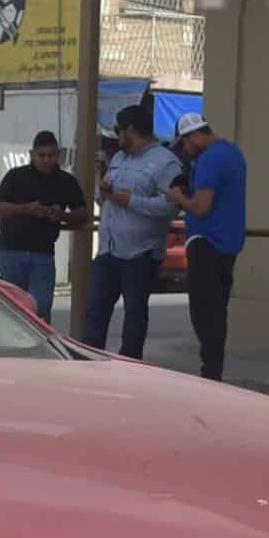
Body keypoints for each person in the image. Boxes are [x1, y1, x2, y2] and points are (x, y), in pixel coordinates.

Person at [86, 104, 181, 358]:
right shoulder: (118, 158)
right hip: (109, 249)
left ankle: (129, 365)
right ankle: (87, 365)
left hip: (140, 253)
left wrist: (131, 201)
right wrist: (103, 193)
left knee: (134, 314)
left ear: (130, 130)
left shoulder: (166, 163)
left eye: (119, 131)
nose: (117, 137)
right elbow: (106, 199)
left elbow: (171, 208)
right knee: (94, 310)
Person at [166, 112, 247, 380]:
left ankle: (210, 373)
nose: (186, 150)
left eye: (185, 144)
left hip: (206, 242)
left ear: (194, 136)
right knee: (217, 311)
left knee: (204, 313)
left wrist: (178, 197)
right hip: (229, 243)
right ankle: (214, 369)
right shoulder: (234, 154)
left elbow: (201, 206)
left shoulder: (210, 160)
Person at [0, 130, 84, 323]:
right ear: (32, 154)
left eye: (51, 155)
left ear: (58, 155)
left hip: (43, 253)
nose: (47, 160)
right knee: (13, 307)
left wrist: (61, 214)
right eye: (42, 155)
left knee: (41, 307)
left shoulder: (66, 181)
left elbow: (82, 214)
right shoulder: (16, 176)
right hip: (12, 250)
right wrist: (28, 209)